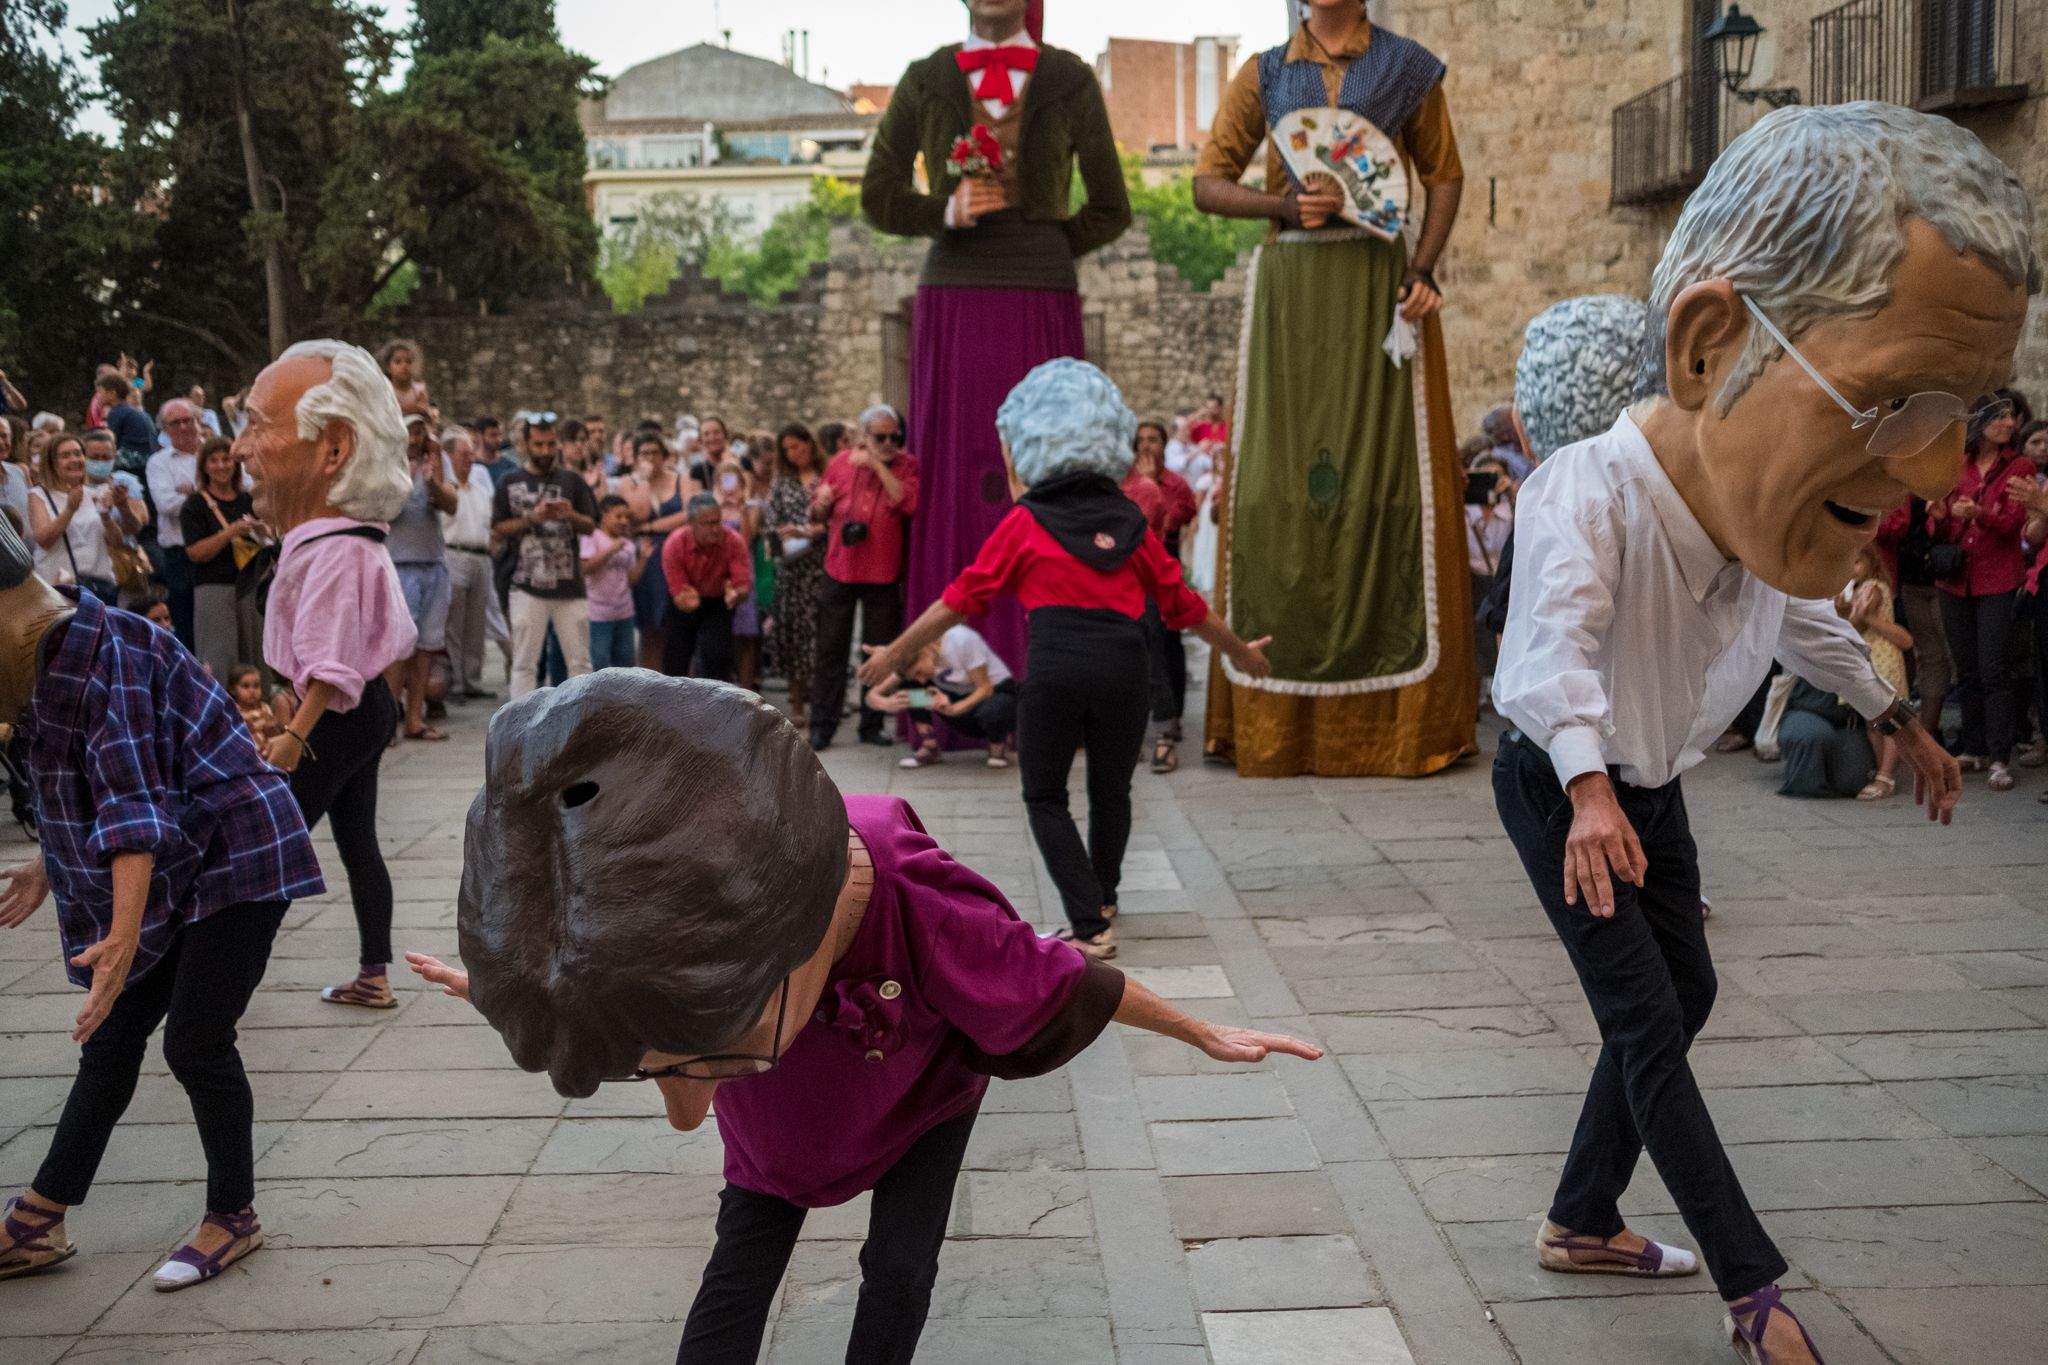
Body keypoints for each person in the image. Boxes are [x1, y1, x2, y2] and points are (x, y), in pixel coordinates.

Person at [1494, 104, 2029, 1364]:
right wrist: (1583, 793)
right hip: (1563, 782)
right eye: (1895, 402)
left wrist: (1898, 716)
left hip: (1647, 784)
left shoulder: (1755, 516)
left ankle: (1579, 1217)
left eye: (1963, 414)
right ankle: (1749, 1289)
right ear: (1705, 347)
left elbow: (1804, 627)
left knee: (1685, 989)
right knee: (1645, 1019)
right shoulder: (1588, 489)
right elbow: (1544, 657)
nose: (1939, 471)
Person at [403, 668, 1318, 1364]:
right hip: (787, 1110)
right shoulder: (702, 968)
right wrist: (534, 990)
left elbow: (1056, 972)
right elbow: (688, 1103)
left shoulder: (894, 874)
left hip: (917, 1087)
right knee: (740, 1266)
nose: (702, 1079)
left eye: (717, 1047)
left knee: (900, 1266)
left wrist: (1203, 1029)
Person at [0, 509, 323, 1291]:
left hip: (234, 850)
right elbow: (71, 785)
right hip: (177, 852)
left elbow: (131, 812)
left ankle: (233, 1217)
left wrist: (119, 937)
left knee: (196, 1040)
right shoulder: (48, 652)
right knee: (109, 1041)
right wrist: (49, 860)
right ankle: (40, 1218)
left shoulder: (97, 653)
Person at [863, 360, 1274, 960]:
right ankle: (1102, 901)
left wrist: (895, 655)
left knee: (1044, 795)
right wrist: (1240, 651)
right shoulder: (1131, 522)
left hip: (1057, 666)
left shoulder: (1026, 524)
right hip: (1124, 666)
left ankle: (1088, 925)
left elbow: (959, 601)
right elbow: (1183, 606)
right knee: (1113, 790)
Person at [1192, 0, 1475, 778]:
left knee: (1396, 483)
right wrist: (1284, 204)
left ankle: (1400, 718)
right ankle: (1274, 710)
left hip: (1382, 275)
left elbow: (1445, 176)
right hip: (1294, 282)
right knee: (1277, 486)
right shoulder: (1266, 73)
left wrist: (1424, 270)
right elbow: (1207, 184)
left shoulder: (1410, 67)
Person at [864, 0, 1131, 688]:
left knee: (1049, 476)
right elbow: (878, 195)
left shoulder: (1069, 78)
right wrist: (944, 210)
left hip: (1040, 297)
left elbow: (1111, 205)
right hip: (952, 292)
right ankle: (946, 680)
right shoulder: (925, 77)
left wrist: (1042, 244)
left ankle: (1049, 678)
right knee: (958, 474)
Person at [238, 339, 419, 1012]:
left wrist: (294, 733)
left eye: (259, 426)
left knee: (273, 847)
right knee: (355, 840)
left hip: (337, 713)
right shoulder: (348, 538)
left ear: (334, 448)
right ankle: (374, 973)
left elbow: (333, 661)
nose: (241, 448)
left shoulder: (338, 548)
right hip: (359, 709)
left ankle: (225, 981)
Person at [1930, 396, 2032, 791]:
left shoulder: (2018, 466)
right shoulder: (1958, 464)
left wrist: (1980, 515)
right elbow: (1937, 529)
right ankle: (1973, 746)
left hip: (1997, 578)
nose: (2009, 423)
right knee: (1967, 668)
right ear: (1980, 423)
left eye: (2010, 416)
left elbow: (2015, 524)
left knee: (1993, 668)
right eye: (2001, 417)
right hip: (1955, 578)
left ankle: (1999, 755)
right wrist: (1939, 516)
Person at [810, 405, 920, 750]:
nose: (889, 443)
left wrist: (875, 464)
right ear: (863, 436)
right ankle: (822, 725)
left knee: (879, 651)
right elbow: (816, 511)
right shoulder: (840, 462)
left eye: (894, 436)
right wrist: (822, 503)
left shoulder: (907, 465)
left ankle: (872, 724)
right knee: (831, 649)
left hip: (883, 572)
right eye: (880, 437)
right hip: (840, 567)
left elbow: (906, 502)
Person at [492, 415, 597, 700]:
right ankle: (518, 727)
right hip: (526, 584)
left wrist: (569, 514)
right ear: (526, 444)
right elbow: (498, 528)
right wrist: (532, 518)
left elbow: (591, 524)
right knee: (524, 663)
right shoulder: (509, 481)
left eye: (551, 444)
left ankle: (581, 725)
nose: (545, 451)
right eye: (539, 444)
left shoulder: (572, 480)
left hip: (570, 585)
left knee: (580, 664)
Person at [1125, 421, 1200, 772]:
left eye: (1153, 439)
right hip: (1130, 578)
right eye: (1140, 440)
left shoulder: (1175, 484)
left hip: (1162, 571)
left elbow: (1169, 522)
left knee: (1165, 645)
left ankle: (1169, 722)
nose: (1146, 446)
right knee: (1138, 650)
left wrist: (1150, 486)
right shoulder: (1123, 484)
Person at [388, 414, 459, 741]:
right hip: (399, 563)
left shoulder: (438, 459)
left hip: (433, 562)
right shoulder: (386, 458)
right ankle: (388, 723)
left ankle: (415, 718)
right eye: (410, 430)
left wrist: (432, 484)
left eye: (420, 430)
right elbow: (383, 508)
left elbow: (452, 504)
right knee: (399, 647)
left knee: (427, 646)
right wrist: (406, 480)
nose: (415, 436)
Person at [865, 622, 1019, 769]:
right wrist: (884, 703)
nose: (922, 679)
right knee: (908, 687)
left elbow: (985, 688)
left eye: (918, 672)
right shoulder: (915, 659)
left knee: (995, 710)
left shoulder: (960, 639)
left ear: (923, 652)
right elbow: (872, 695)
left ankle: (997, 743)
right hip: (957, 701)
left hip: (994, 695)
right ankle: (930, 745)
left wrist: (953, 709)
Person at [179, 437, 263, 682]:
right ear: (204, 467)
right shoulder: (194, 505)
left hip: (251, 586)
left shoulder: (250, 501)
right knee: (219, 659)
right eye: (213, 460)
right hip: (213, 588)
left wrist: (262, 531)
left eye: (226, 459)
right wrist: (230, 533)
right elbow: (195, 552)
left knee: (256, 658)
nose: (221, 466)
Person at [1838, 544, 1914, 800]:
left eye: (1857, 563)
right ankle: (1885, 770)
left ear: (1871, 564)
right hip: (1868, 658)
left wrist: (1845, 610)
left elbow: (1858, 620)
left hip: (1881, 658)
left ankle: (1885, 774)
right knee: (1873, 721)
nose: (1852, 569)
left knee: (1886, 718)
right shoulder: (1855, 589)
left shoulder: (1872, 587)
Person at [768, 423, 829, 728]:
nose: (794, 454)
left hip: (821, 566)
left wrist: (808, 531)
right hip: (792, 568)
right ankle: (796, 702)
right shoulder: (782, 484)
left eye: (798, 446)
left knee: (819, 633)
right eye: (788, 450)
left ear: (810, 443)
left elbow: (836, 520)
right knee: (793, 634)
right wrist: (785, 536)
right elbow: (771, 525)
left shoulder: (826, 476)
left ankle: (821, 699)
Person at [439, 426, 505, 701]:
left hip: (481, 556)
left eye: (470, 454)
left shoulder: (479, 490)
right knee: (455, 623)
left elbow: (489, 524)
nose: (469, 459)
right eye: (463, 454)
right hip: (454, 554)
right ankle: (454, 681)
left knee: (477, 623)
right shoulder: (446, 491)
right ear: (449, 456)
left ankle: (472, 680)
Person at [619, 432, 693, 672]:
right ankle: (647, 680)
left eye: (654, 453)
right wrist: (645, 482)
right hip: (646, 558)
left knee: (674, 625)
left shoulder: (681, 479)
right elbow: (635, 517)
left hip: (676, 554)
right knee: (649, 625)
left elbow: (687, 515)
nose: (650, 458)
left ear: (664, 455)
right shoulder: (628, 483)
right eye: (644, 453)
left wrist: (650, 527)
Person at [662, 492, 752, 682]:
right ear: (692, 524)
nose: (716, 529)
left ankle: (717, 707)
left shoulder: (734, 541)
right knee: (675, 660)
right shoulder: (674, 544)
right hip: (684, 603)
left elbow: (742, 584)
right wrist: (686, 601)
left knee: (718, 658)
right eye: (708, 523)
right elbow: (678, 591)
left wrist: (737, 594)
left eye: (718, 521)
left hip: (719, 601)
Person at [28, 435, 127, 603]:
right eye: (66, 455)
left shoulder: (95, 494)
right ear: (51, 463)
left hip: (98, 588)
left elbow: (117, 543)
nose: (74, 459)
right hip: (60, 591)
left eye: (78, 453)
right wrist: (69, 509)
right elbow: (44, 540)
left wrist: (106, 516)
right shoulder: (38, 495)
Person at [147, 397, 209, 648]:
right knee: (186, 625)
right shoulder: (158, 463)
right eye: (175, 423)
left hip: (220, 553)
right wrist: (206, 495)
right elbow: (165, 505)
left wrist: (190, 494)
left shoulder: (216, 453)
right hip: (179, 555)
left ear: (198, 421)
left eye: (188, 420)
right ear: (165, 429)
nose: (183, 427)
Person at [1465, 451, 1516, 704]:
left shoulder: (1512, 510)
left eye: (1496, 477)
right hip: (1473, 583)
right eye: (1483, 478)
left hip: (1500, 584)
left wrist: (1514, 495)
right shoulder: (1465, 513)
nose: (1490, 483)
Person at [580, 495, 646, 670]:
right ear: (604, 515)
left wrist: (643, 559)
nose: (624, 521)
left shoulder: (628, 543)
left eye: (627, 517)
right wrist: (611, 549)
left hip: (624, 612)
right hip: (597, 614)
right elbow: (585, 568)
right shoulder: (592, 536)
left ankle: (622, 698)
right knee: (598, 663)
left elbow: (631, 579)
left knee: (626, 664)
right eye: (619, 516)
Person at [97, 372, 156, 474]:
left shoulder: (117, 412)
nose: (99, 396)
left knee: (97, 463)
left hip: (136, 459)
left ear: (112, 394)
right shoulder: (135, 411)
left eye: (101, 392)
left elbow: (110, 443)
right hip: (150, 457)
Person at [225, 663, 285, 749]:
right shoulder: (233, 711)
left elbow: (274, 736)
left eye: (256, 686)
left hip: (266, 754)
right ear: (233, 690)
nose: (252, 691)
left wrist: (271, 727)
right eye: (245, 686)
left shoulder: (265, 708)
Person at [378, 339, 431, 421]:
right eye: (398, 362)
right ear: (388, 367)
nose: (404, 366)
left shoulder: (418, 390)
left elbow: (424, 411)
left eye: (408, 362)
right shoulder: (386, 389)